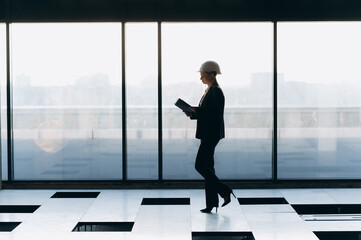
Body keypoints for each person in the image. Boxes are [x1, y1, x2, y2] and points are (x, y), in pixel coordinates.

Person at [184, 60, 235, 213]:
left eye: (203, 75)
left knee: (200, 166)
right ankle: (212, 202)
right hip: (209, 133)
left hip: (210, 134)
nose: (201, 79)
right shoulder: (209, 91)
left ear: (212, 75)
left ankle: (224, 191)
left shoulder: (215, 92)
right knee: (208, 168)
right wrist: (193, 113)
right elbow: (206, 112)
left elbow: (213, 114)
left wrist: (196, 111)